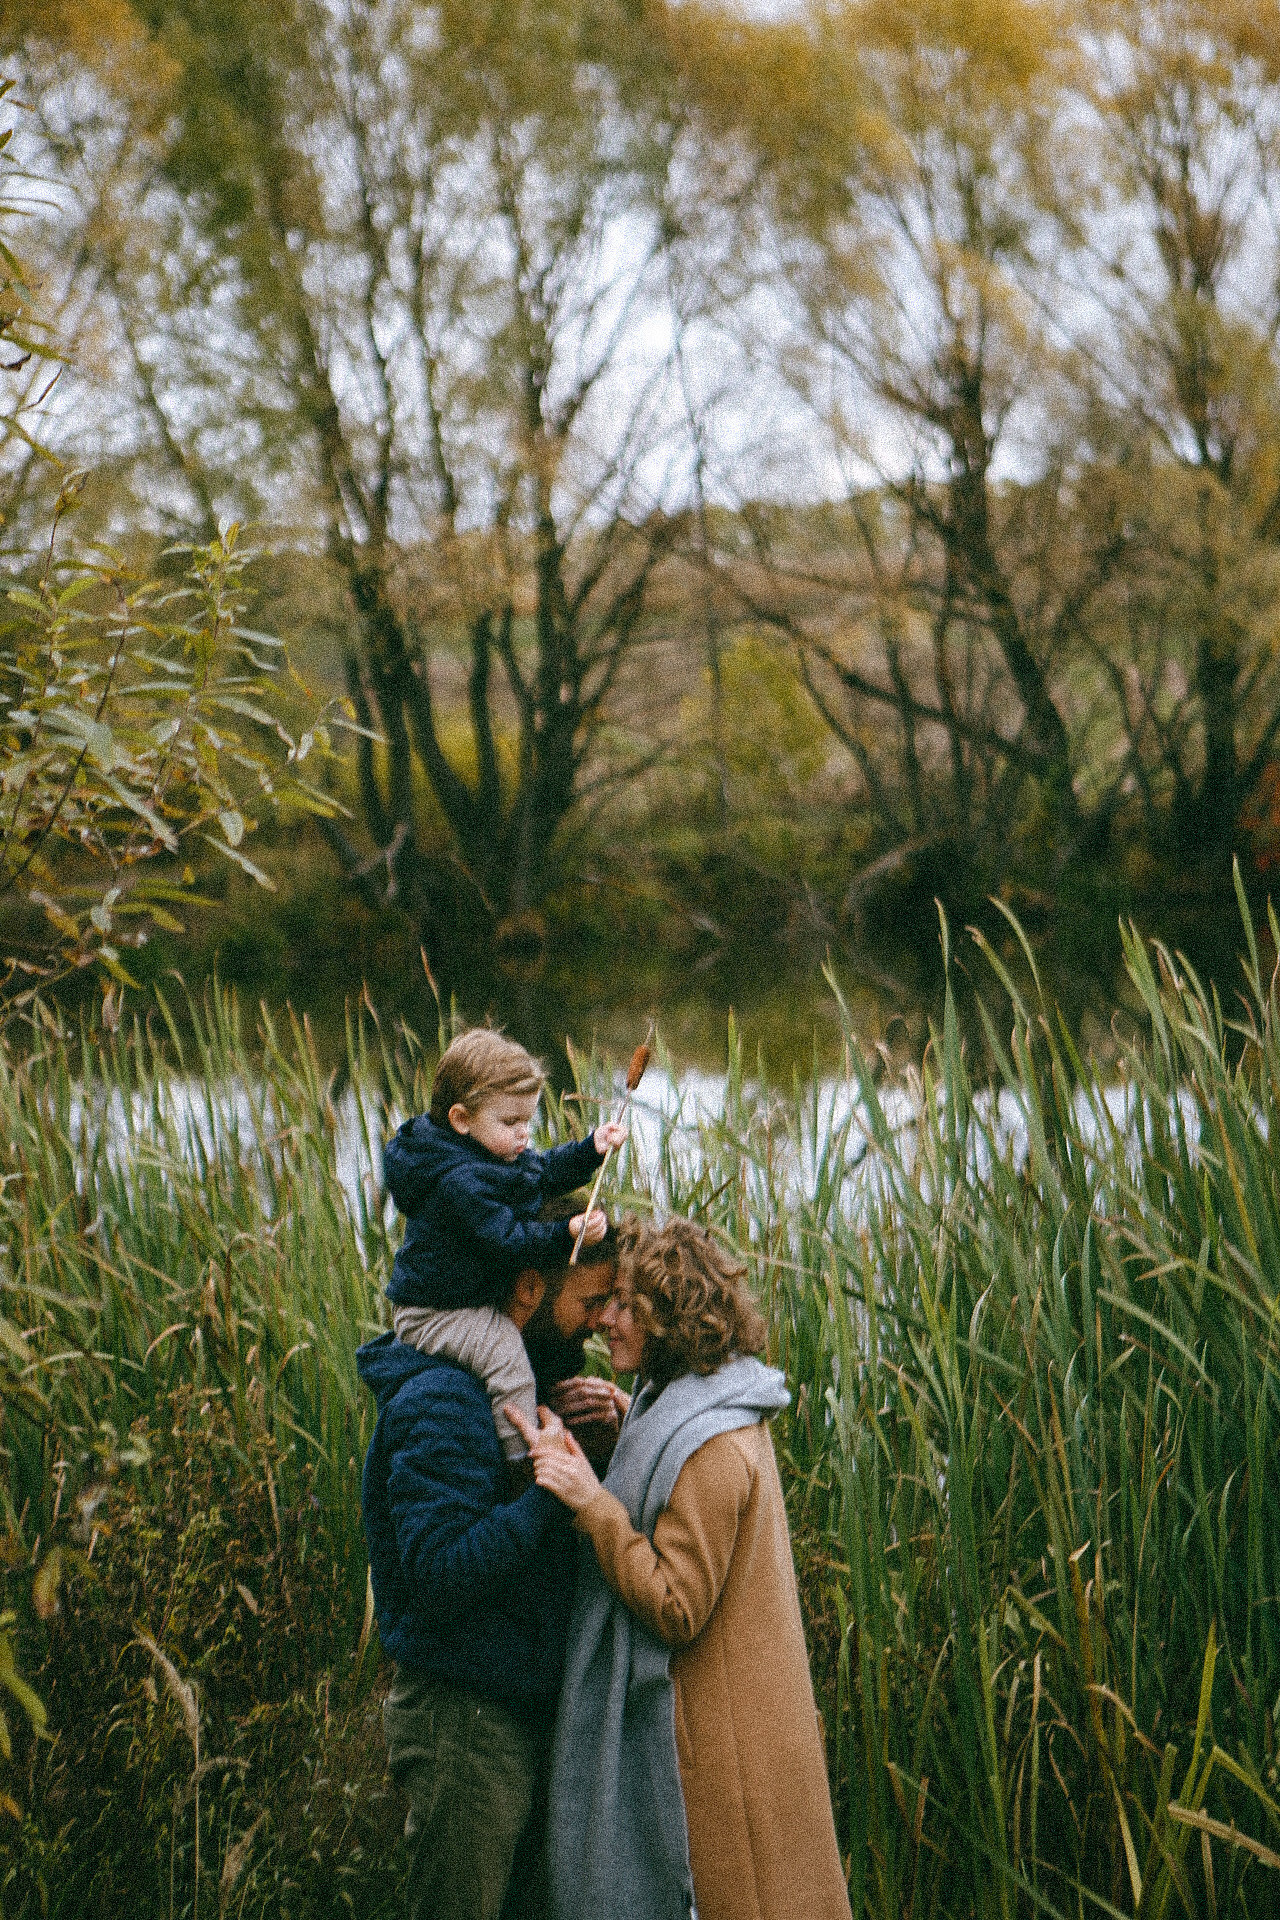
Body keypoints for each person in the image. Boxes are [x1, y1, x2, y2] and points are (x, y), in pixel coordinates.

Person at [510, 1217, 852, 1920]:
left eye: (627, 1305)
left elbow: (676, 1605)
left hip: (720, 1758)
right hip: (723, 1734)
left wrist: (590, 1500)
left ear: (671, 1318)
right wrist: (631, 1418)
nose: (605, 1318)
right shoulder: (691, 1404)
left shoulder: (712, 1446)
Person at [358, 1226, 626, 1920]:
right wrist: (549, 1489)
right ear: (530, 1289)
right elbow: (440, 1574)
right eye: (591, 1299)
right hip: (465, 1719)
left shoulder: (530, 1390)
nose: (603, 1319)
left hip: (520, 1706)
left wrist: (612, 1441)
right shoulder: (444, 1399)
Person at [382, 1027, 626, 1459]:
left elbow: (544, 1171)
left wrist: (592, 1149)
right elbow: (509, 1241)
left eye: (528, 1121)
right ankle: (522, 1459)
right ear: (461, 1119)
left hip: (462, 1296)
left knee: (517, 1353)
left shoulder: (490, 1152)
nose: (524, 1134)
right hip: (434, 1310)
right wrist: (565, 1232)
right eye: (511, 1122)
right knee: (507, 1359)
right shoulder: (458, 1182)